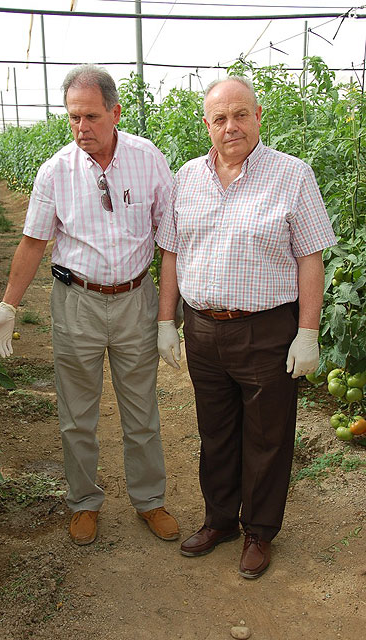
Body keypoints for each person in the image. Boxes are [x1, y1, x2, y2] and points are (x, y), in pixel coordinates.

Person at [0, 64, 179, 546]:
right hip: (77, 302)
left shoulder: (148, 159)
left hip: (135, 298)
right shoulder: (56, 170)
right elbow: (33, 242)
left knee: (141, 410)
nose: (81, 128)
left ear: (115, 113)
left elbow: (171, 238)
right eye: (73, 117)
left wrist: (168, 316)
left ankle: (149, 499)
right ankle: (84, 501)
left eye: (91, 116)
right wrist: (9, 307)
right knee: (77, 413)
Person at [155, 76, 336, 578]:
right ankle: (219, 521)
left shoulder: (292, 176)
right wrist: (166, 320)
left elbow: (310, 256)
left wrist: (308, 330)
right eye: (219, 118)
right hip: (204, 328)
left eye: (240, 115)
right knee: (215, 430)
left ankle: (258, 530)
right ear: (207, 124)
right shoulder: (186, 177)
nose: (230, 126)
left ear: (258, 116)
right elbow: (171, 252)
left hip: (266, 327)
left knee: (267, 434)